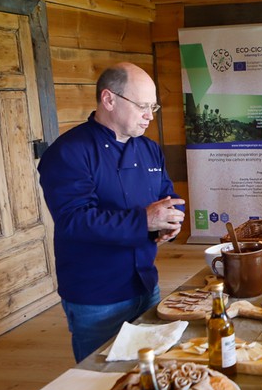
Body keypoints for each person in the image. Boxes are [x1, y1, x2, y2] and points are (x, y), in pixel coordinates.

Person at [38, 63, 185, 362]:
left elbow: (167, 197)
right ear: (109, 99)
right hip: (97, 294)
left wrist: (170, 222)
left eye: (153, 107)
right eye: (142, 106)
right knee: (100, 376)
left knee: (151, 368)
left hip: (146, 283)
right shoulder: (69, 152)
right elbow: (74, 220)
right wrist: (145, 220)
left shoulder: (149, 149)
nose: (150, 116)